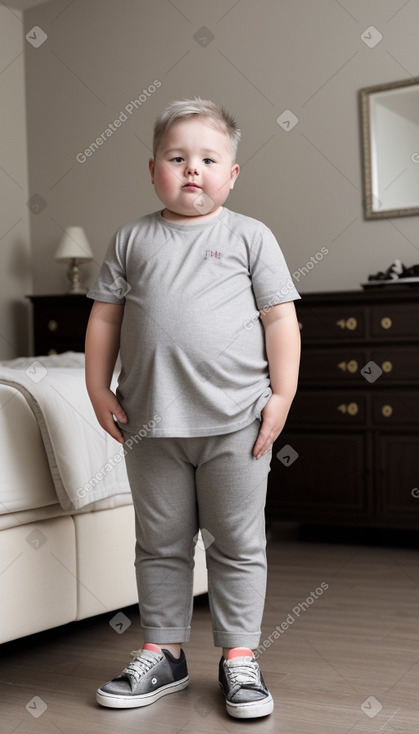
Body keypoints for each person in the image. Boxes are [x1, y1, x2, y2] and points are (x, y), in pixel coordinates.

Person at [85, 97, 301, 720]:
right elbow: (104, 316)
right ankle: (165, 651)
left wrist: (281, 396)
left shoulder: (250, 236)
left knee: (236, 542)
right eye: (177, 158)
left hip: (238, 423)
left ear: (232, 173)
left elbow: (279, 317)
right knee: (159, 542)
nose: (192, 170)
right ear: (152, 168)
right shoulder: (132, 238)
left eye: (208, 159)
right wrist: (98, 388)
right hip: (150, 425)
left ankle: (239, 657)